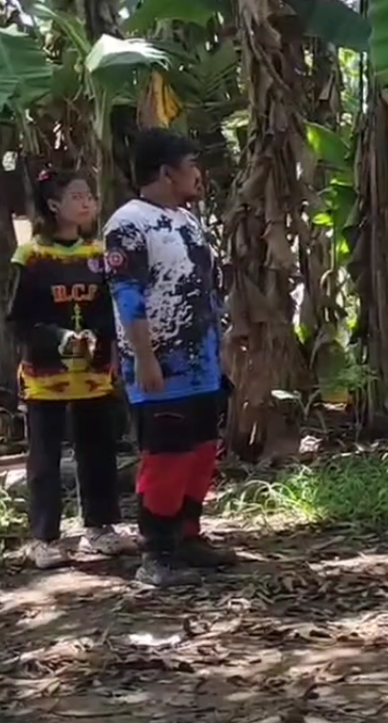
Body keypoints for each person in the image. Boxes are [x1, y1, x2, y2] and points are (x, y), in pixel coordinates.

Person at [104, 128, 233, 588]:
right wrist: (145, 357)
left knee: (201, 452)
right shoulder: (128, 224)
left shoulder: (186, 220)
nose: (198, 174)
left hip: (203, 362)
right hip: (161, 365)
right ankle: (155, 553)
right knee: (166, 456)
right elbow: (127, 296)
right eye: (191, 165)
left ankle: (188, 534)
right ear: (166, 172)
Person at [9, 170, 135, 570]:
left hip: (93, 373)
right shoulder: (31, 257)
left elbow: (108, 310)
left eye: (89, 196)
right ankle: (44, 538)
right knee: (45, 457)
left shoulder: (98, 254)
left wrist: (107, 345)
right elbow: (19, 319)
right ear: (53, 205)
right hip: (46, 375)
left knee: (97, 450)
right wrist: (57, 338)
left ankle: (100, 528)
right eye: (76, 196)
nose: (86, 202)